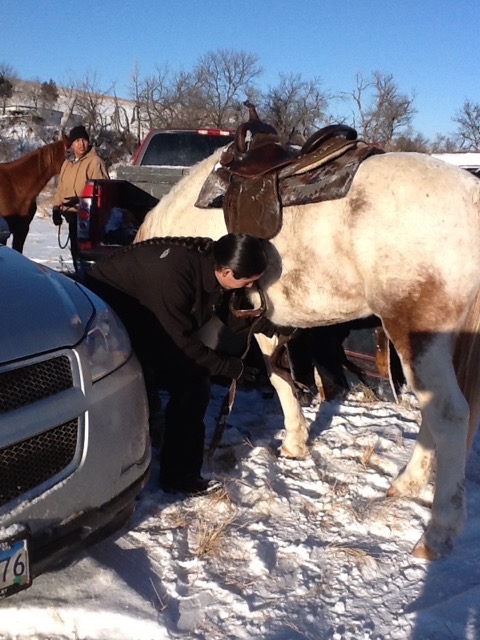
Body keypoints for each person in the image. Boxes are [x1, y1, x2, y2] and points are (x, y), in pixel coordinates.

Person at [86, 233, 269, 496]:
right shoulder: (175, 277)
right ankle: (179, 477)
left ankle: (159, 428)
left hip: (148, 304)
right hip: (110, 305)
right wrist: (227, 367)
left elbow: (222, 311)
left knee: (184, 376)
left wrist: (259, 323)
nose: (252, 286)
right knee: (192, 384)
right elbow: (179, 344)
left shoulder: (212, 265)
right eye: (249, 281)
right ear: (227, 272)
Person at [52, 125, 109, 268]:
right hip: (71, 215)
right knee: (75, 252)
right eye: (77, 140)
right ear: (71, 143)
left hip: (88, 217)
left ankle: (89, 281)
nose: (81, 144)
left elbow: (103, 190)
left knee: (87, 255)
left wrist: (82, 200)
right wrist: (55, 208)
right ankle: (80, 275)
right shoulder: (66, 164)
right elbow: (61, 187)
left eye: (84, 140)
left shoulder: (95, 162)